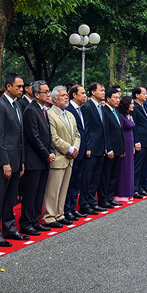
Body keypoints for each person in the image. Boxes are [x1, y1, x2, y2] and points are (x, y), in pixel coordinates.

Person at [0, 73, 27, 247]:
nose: (22, 89)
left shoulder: (16, 105)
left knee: (11, 198)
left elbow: (20, 136)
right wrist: (5, 163)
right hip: (6, 161)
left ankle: (10, 228)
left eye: (22, 86)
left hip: (17, 159)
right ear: (8, 86)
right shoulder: (0, 106)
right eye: (18, 86)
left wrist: (22, 160)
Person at [20, 81, 55, 236]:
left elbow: (48, 134)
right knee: (31, 193)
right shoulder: (31, 110)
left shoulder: (43, 110)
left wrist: (51, 150)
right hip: (34, 160)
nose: (48, 94)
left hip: (43, 159)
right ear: (36, 95)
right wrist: (46, 154)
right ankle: (26, 223)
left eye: (48, 91)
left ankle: (35, 220)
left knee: (40, 193)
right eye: (46, 92)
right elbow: (33, 137)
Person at [44, 86, 79, 226]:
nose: (66, 97)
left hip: (69, 157)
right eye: (63, 95)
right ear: (54, 99)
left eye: (66, 95)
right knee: (53, 190)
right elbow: (53, 137)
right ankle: (49, 216)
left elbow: (77, 134)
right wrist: (69, 149)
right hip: (59, 157)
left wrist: (75, 148)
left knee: (63, 188)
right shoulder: (50, 114)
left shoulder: (69, 114)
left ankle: (59, 214)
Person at [80, 83, 110, 214]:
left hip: (100, 147)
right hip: (91, 148)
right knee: (88, 177)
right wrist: (87, 147)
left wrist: (105, 146)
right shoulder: (87, 107)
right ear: (93, 92)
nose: (104, 93)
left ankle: (92, 201)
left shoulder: (101, 107)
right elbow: (86, 128)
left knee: (96, 177)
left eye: (104, 90)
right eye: (101, 90)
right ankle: (85, 204)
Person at [63, 84, 89, 222]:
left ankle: (72, 208)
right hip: (71, 151)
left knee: (76, 182)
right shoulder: (69, 110)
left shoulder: (81, 109)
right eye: (82, 93)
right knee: (69, 182)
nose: (85, 95)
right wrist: (73, 148)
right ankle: (66, 209)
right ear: (74, 95)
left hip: (81, 149)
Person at [102, 88, 126, 206]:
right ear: (108, 99)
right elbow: (106, 132)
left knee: (113, 175)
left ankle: (110, 196)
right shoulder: (104, 111)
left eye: (119, 98)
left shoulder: (116, 111)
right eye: (115, 98)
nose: (118, 100)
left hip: (118, 148)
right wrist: (109, 148)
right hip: (110, 149)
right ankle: (103, 198)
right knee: (106, 175)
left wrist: (122, 148)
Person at [131, 86, 147, 196]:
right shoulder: (134, 107)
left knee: (145, 165)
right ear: (137, 95)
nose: (146, 96)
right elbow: (134, 125)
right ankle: (134, 188)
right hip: (140, 141)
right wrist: (137, 141)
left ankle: (141, 186)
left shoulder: (144, 106)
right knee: (138, 166)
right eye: (143, 94)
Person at [115, 95, 136, 202]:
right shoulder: (120, 116)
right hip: (124, 143)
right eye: (131, 103)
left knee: (129, 169)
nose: (133, 105)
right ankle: (121, 193)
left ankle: (129, 192)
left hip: (130, 143)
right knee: (123, 169)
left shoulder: (129, 115)